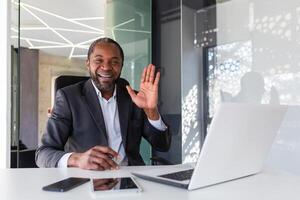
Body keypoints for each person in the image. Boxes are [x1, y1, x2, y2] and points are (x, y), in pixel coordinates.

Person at [35, 37, 171, 170]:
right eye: (99, 60)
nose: (106, 67)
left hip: (130, 178)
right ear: (88, 63)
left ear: (121, 65)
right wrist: (77, 159)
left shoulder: (135, 98)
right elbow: (43, 154)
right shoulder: (68, 98)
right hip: (87, 179)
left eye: (114, 62)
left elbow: (163, 145)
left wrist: (151, 111)